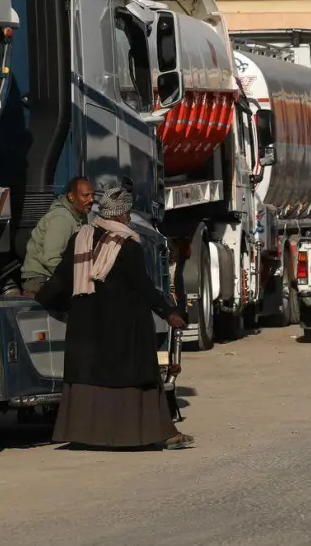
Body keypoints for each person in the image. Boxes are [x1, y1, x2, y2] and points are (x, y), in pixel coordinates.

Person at [36, 186, 193, 450]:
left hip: (87, 328)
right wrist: (169, 312)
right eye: (128, 213)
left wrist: (41, 300)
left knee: (90, 376)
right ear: (120, 215)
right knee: (136, 376)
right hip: (122, 328)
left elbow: (62, 279)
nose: (129, 218)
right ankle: (151, 433)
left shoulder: (81, 238)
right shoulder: (127, 245)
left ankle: (89, 435)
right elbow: (143, 286)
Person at [21, 177, 94, 295]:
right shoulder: (62, 219)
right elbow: (50, 259)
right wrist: (77, 278)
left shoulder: (78, 216)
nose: (91, 199)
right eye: (86, 195)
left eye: (92, 195)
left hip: (53, 277)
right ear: (71, 197)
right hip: (40, 280)